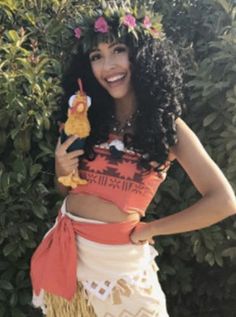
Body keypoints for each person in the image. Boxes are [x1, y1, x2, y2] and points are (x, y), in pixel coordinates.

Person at [30, 1, 236, 316]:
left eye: (118, 50)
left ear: (141, 56)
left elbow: (223, 201)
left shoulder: (169, 128)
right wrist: (61, 170)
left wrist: (150, 229)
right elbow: (67, 190)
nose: (108, 65)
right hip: (69, 257)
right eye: (96, 56)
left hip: (120, 265)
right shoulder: (85, 118)